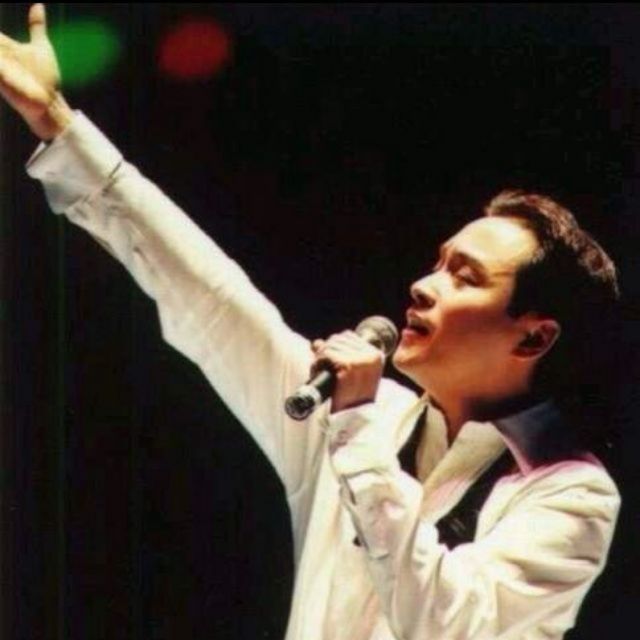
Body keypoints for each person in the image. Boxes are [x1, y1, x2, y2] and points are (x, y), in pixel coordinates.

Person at [0, 5, 621, 639]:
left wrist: (355, 432)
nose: (423, 285)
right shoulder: (362, 415)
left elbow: (446, 624)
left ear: (534, 335)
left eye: (465, 277)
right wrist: (58, 125)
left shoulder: (571, 496)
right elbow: (211, 299)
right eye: (437, 263)